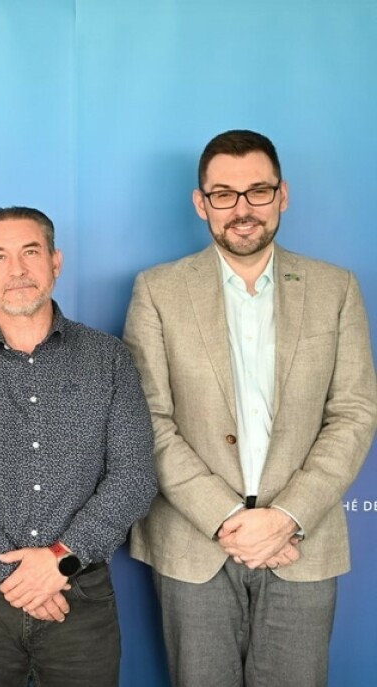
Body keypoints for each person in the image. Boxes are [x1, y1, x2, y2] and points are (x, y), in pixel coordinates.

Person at [124, 129, 377, 687]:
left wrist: (287, 518)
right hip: (194, 544)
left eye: (258, 191)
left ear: (282, 195)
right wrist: (228, 519)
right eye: (224, 194)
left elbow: (355, 412)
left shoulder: (336, 288)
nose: (242, 209)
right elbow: (148, 420)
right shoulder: (157, 290)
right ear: (202, 203)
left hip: (303, 543)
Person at [0, 206, 156, 687]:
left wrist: (62, 558)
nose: (17, 269)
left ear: (55, 262)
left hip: (79, 595)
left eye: (30, 252)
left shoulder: (108, 359)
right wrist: (16, 575)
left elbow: (133, 476)